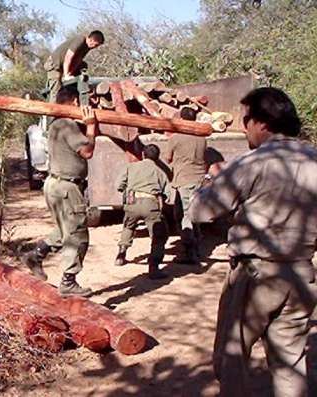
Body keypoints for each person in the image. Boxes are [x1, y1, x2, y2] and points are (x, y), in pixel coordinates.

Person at [188, 87, 317, 397]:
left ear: (263, 123)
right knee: (291, 364)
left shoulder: (252, 163)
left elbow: (201, 212)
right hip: (301, 273)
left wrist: (211, 180)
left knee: (231, 361)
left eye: (245, 121)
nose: (244, 128)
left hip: (255, 275)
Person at [23, 85, 99, 297]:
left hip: (53, 184)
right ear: (75, 101)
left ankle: (36, 255)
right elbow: (87, 151)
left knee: (64, 229)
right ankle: (68, 281)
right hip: (67, 187)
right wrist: (91, 127)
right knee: (77, 235)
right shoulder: (67, 125)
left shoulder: (56, 124)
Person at [113, 144, 172, 279]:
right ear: (157, 158)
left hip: (132, 202)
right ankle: (153, 268)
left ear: (143, 155)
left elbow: (118, 185)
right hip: (150, 204)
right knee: (159, 236)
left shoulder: (131, 167)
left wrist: (127, 191)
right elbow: (168, 193)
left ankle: (121, 254)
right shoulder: (159, 172)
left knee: (128, 226)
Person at [165, 107, 206, 264]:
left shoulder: (176, 138)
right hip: (199, 180)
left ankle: (189, 252)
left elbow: (168, 158)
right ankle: (196, 245)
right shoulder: (202, 138)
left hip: (184, 180)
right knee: (193, 214)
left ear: (181, 119)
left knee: (184, 216)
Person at [44, 30, 105, 103]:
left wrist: (70, 73)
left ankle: (75, 93)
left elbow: (78, 60)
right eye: (96, 45)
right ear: (92, 40)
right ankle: (52, 110)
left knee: (83, 65)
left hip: (64, 66)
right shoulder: (80, 40)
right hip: (54, 64)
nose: (95, 47)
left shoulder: (87, 47)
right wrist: (66, 75)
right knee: (56, 90)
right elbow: (68, 57)